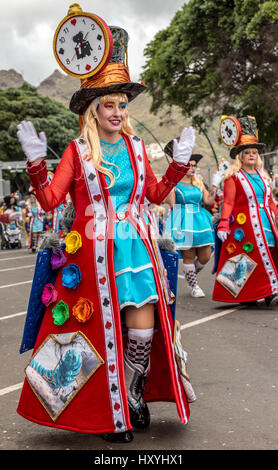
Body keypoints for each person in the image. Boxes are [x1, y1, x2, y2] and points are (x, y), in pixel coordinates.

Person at [16, 19, 196, 443]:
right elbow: (49, 201)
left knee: (141, 330)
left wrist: (177, 167)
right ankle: (110, 414)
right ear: (93, 109)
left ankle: (133, 393)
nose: (117, 113)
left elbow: (152, 193)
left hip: (135, 251)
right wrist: (37, 165)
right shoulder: (77, 152)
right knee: (99, 334)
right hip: (90, 257)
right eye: (109, 105)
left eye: (122, 105)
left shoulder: (134, 147)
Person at [213, 116, 278, 306]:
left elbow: (270, 201)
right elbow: (228, 203)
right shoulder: (233, 177)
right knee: (247, 260)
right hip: (245, 226)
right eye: (247, 152)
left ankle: (267, 290)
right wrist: (224, 223)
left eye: (254, 152)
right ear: (239, 156)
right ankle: (249, 294)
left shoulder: (263, 176)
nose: (252, 155)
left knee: (269, 251)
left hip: (265, 222)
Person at [163, 144, 224, 297]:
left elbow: (209, 201)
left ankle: (191, 276)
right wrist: (170, 185)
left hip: (200, 219)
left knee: (206, 255)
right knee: (189, 255)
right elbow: (170, 203)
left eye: (195, 165)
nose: (192, 168)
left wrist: (215, 185)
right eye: (189, 165)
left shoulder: (198, 183)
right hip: (183, 219)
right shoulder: (175, 184)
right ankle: (194, 285)